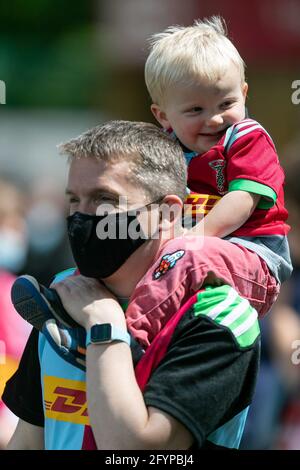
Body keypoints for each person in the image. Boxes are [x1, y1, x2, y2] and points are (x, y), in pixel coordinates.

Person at [3, 120, 262, 450]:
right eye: (73, 200)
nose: (82, 217)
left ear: (168, 213)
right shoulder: (62, 294)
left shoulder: (217, 316)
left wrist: (105, 325)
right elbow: (27, 442)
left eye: (104, 200)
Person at [144, 16, 292, 295]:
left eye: (226, 103)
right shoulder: (163, 150)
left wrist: (192, 237)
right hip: (190, 250)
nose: (214, 120)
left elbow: (242, 201)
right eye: (196, 110)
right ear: (163, 116)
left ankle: (130, 332)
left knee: (188, 261)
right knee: (125, 256)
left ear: (244, 95)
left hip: (253, 254)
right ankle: (77, 299)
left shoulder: (248, 139)